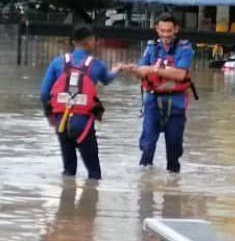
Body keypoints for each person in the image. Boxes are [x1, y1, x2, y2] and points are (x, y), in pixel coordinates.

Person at [40, 24, 125, 180]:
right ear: (90, 42)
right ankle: (91, 200)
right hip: (83, 123)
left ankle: (66, 200)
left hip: (61, 121)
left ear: (73, 42)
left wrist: (49, 116)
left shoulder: (57, 62)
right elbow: (106, 80)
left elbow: (44, 92)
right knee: (94, 173)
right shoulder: (97, 65)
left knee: (68, 172)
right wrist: (116, 70)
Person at [132, 12, 195, 173]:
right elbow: (140, 70)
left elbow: (180, 74)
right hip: (152, 102)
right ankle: (144, 184)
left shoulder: (185, 48)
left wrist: (154, 69)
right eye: (162, 31)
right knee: (147, 147)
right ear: (157, 30)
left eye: (169, 31)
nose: (166, 35)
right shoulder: (151, 47)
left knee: (174, 150)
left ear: (176, 29)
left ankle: (173, 187)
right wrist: (159, 70)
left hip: (176, 104)